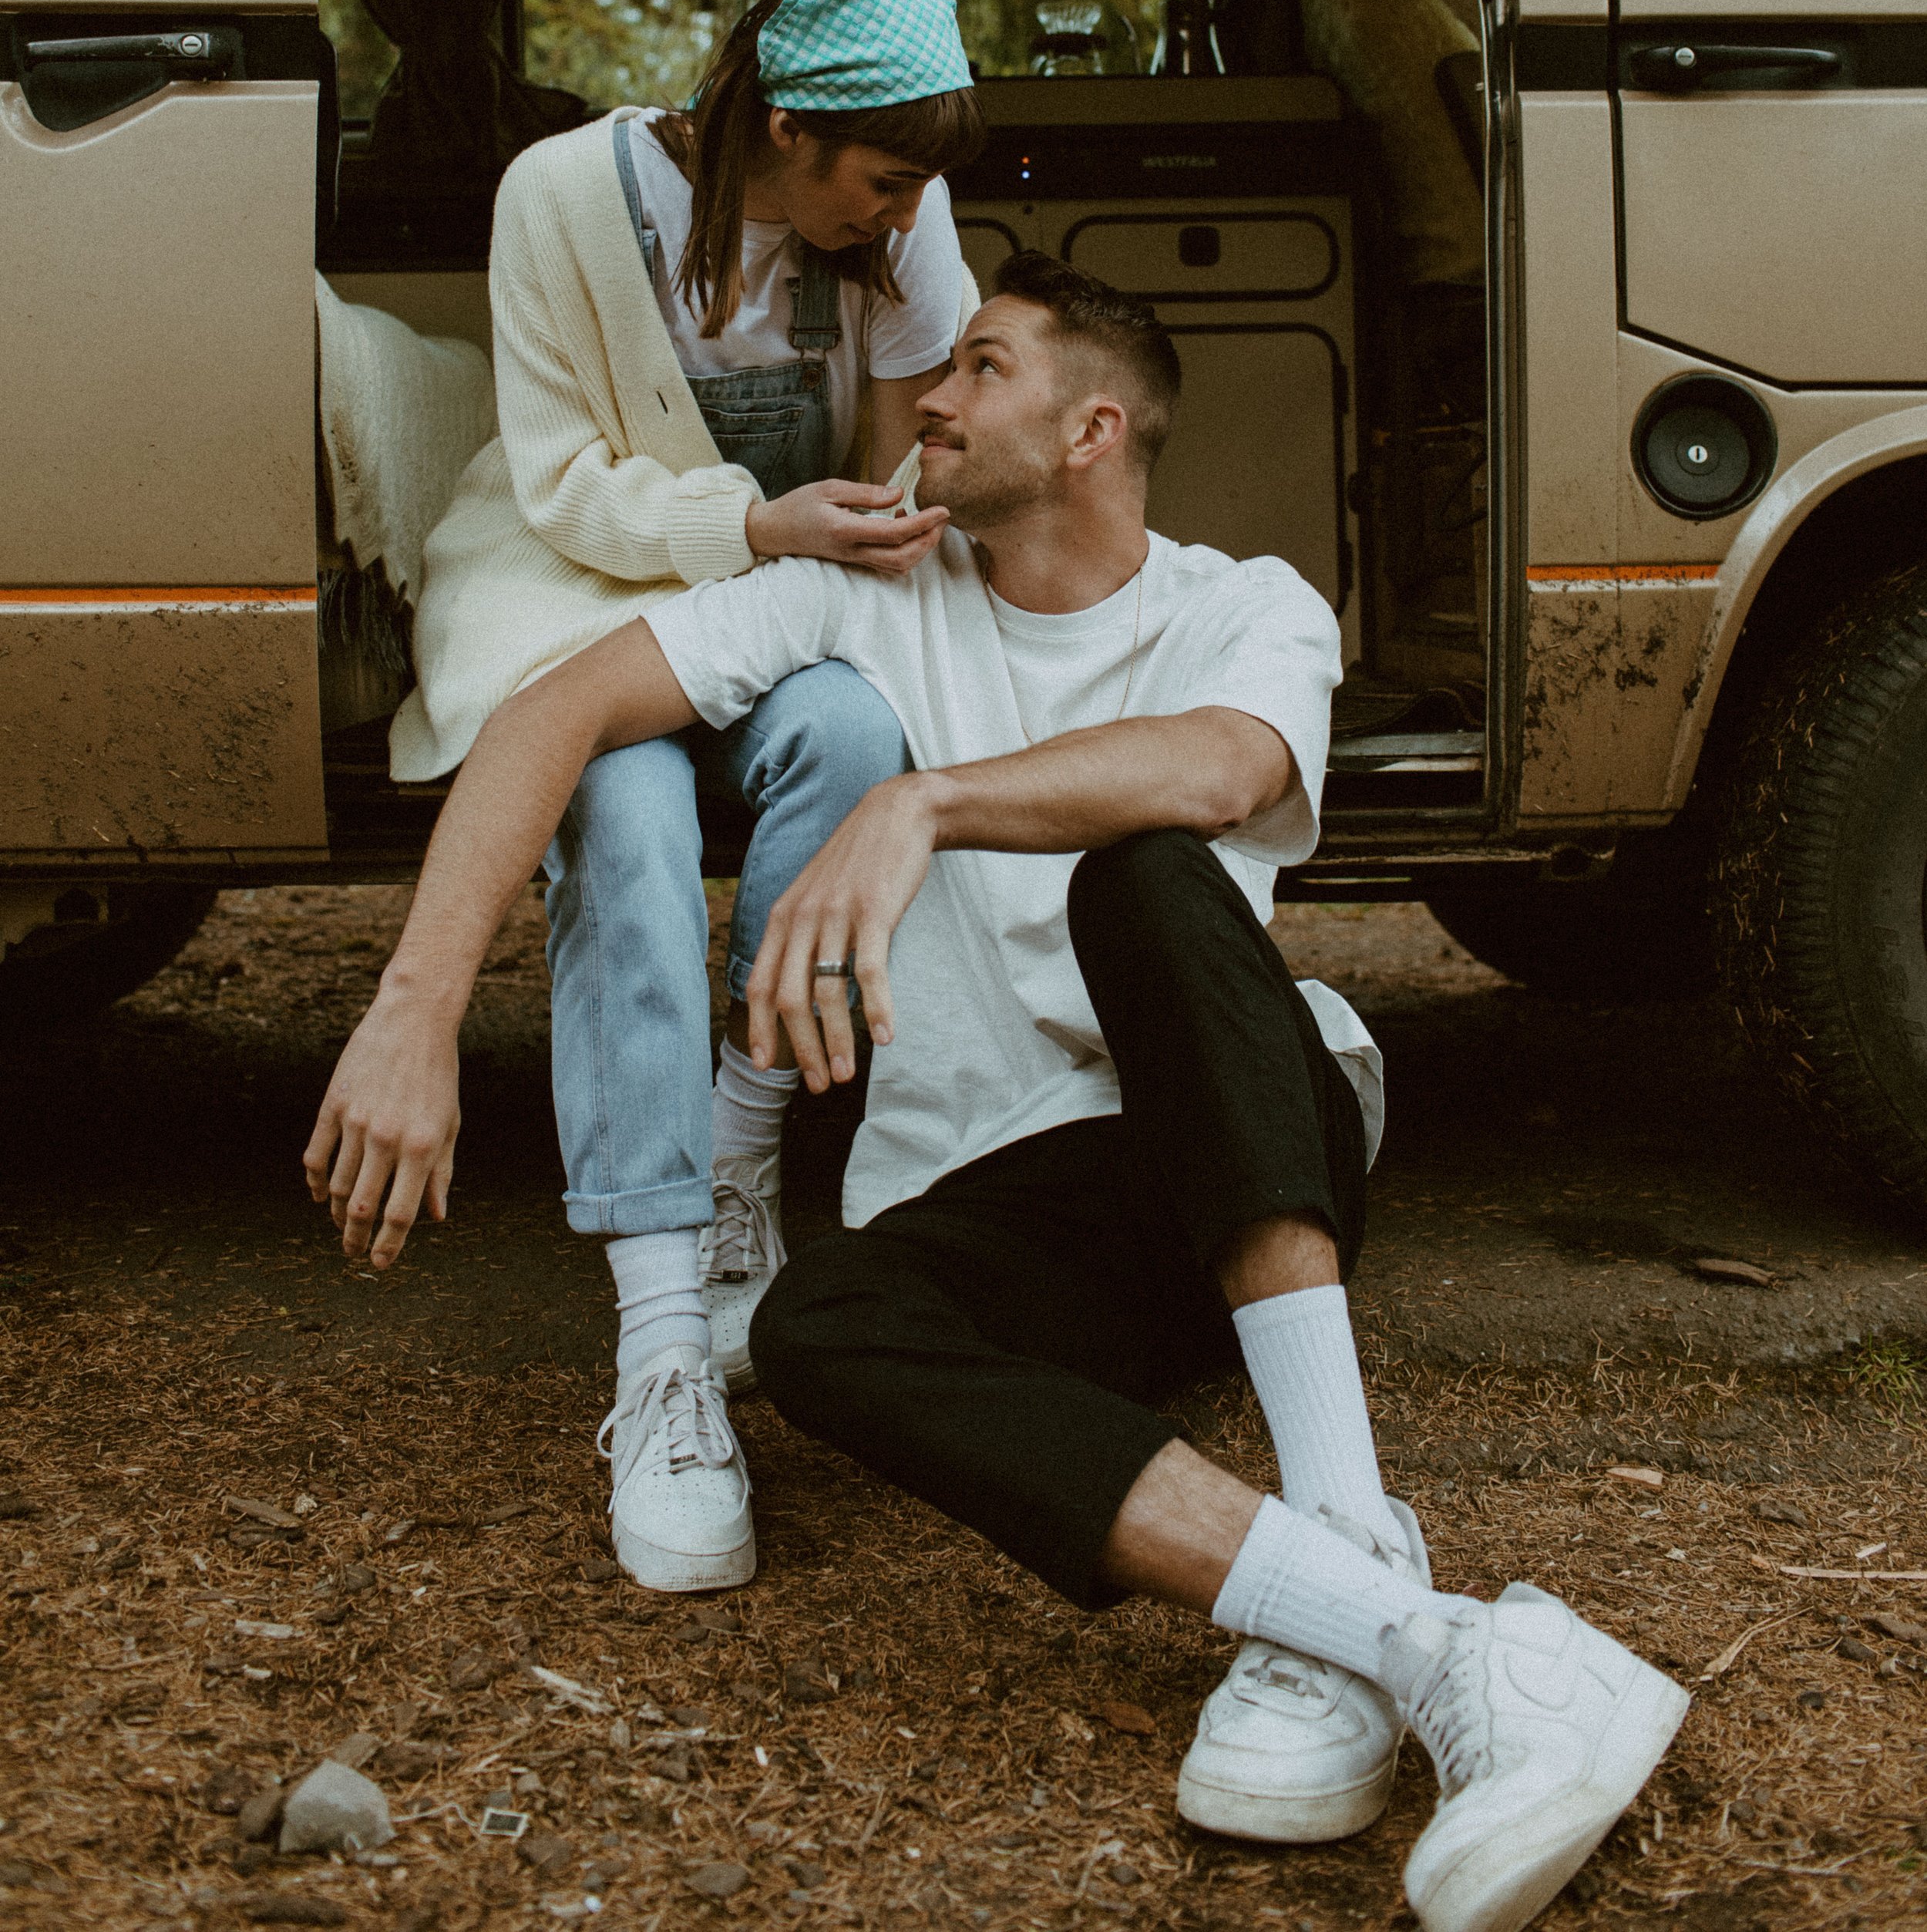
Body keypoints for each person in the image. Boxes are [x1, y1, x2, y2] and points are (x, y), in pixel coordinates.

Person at [303, 251, 1688, 1932]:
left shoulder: (1242, 602)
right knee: (820, 1331)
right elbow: (555, 710)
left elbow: (1220, 769)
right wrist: (413, 1009)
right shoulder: (866, 595)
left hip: (1242, 1137)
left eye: (978, 367)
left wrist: (926, 804)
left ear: (1092, 425)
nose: (926, 402)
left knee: (1142, 878)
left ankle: (1339, 1512)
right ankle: (1404, 1636)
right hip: (1018, 1205)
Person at [308, 0, 982, 1590]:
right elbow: (557, 484)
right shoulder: (559, 194)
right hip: (583, 578)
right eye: (879, 181)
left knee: (851, 733)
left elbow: (896, 456)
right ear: (786, 126)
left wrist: (865, 526)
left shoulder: (901, 223)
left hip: (781, 606)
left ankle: (741, 1145)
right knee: (619, 793)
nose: (900, 222)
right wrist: (751, 524)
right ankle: (662, 1327)